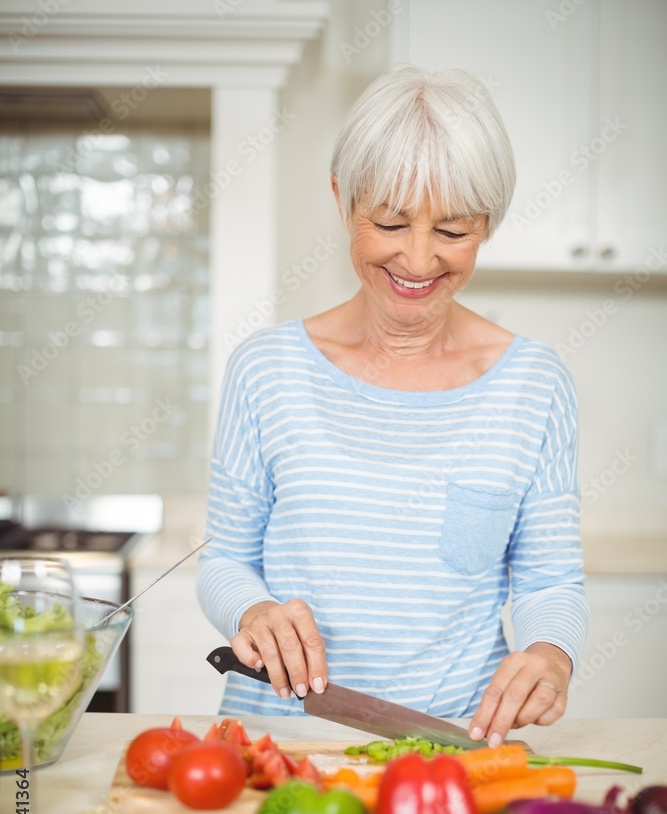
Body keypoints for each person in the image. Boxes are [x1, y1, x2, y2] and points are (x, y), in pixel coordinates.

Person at [198, 66, 589, 747]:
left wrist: (551, 655)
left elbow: (548, 579)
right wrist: (253, 608)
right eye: (389, 222)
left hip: (452, 744)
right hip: (276, 740)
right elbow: (223, 559)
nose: (417, 258)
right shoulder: (265, 370)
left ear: (488, 223)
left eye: (453, 230)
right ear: (341, 199)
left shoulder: (534, 384)